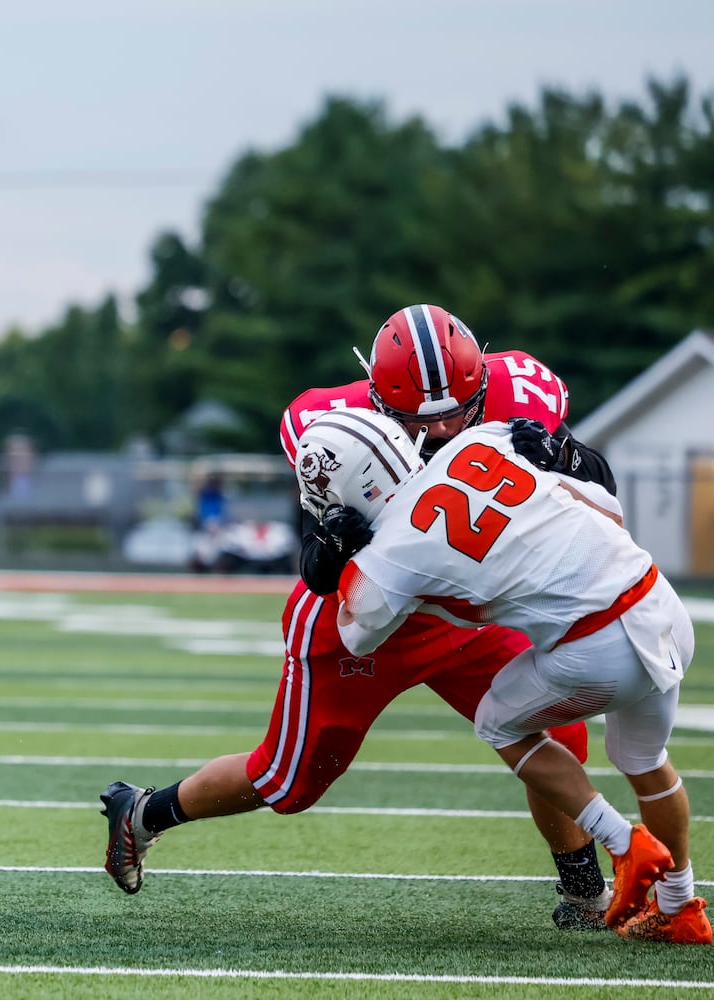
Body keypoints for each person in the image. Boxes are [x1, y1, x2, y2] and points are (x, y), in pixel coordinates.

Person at [101, 304, 618, 930]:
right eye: (422, 422)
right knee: (288, 782)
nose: (447, 431)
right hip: (358, 616)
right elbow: (317, 569)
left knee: (556, 734)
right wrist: (336, 541)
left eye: (460, 411)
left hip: (465, 613)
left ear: (483, 384)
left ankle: (585, 894)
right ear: (377, 400)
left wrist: (565, 453)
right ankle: (143, 812)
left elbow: (599, 487)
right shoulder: (333, 428)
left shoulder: (521, 394)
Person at [304, 407, 706, 944]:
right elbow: (609, 510)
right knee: (643, 758)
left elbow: (356, 633)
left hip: (600, 648)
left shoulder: (392, 551)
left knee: (498, 721)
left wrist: (349, 553)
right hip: (661, 604)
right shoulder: (488, 438)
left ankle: (622, 843)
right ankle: (680, 906)